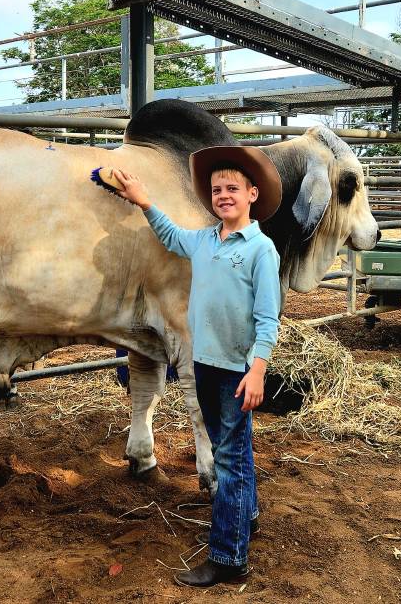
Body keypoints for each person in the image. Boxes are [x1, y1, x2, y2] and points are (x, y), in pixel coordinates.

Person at [112, 146, 283, 587]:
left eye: (232, 189)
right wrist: (143, 199)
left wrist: (258, 369)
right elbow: (170, 236)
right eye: (216, 190)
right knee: (235, 452)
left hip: (236, 370)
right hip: (203, 364)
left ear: (252, 194)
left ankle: (228, 558)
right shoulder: (205, 240)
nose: (223, 196)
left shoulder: (261, 251)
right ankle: (248, 518)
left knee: (228, 461)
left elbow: (268, 319)